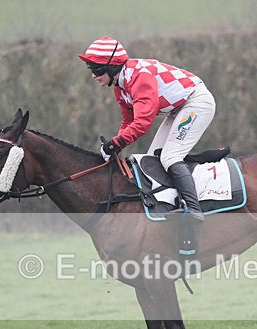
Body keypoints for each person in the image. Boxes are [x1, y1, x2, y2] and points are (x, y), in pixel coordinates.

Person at [78, 36, 216, 221]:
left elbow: (142, 122)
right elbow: (129, 120)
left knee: (170, 157)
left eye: (96, 69)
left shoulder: (139, 77)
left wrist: (116, 143)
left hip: (196, 103)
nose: (93, 75)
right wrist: (117, 144)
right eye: (91, 69)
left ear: (112, 67)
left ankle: (193, 208)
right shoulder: (120, 85)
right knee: (152, 161)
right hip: (178, 109)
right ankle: (169, 205)